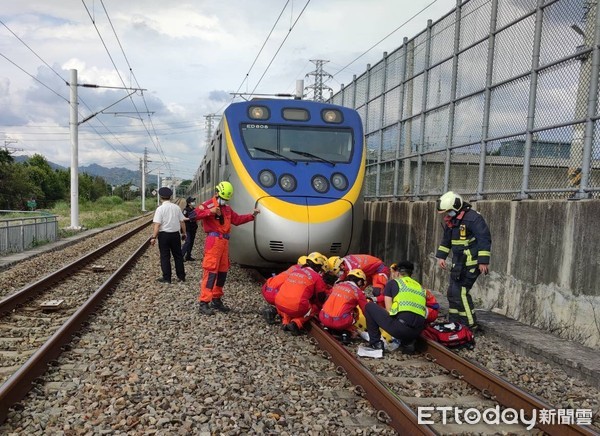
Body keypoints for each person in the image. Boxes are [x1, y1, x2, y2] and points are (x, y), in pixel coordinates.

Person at [194, 181, 260, 315]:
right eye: (223, 198)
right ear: (217, 193)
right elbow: (192, 216)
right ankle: (204, 302)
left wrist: (252, 216)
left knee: (223, 272)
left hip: (224, 242)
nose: (224, 201)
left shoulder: (227, 209)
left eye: (226, 199)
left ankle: (216, 300)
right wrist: (209, 212)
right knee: (211, 272)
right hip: (213, 241)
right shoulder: (208, 205)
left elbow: (237, 219)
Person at [435, 191, 491, 330]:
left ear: (456, 207)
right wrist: (441, 256)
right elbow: (446, 239)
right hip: (458, 263)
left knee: (461, 292)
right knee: (452, 292)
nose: (446, 215)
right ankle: (455, 321)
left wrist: (483, 261)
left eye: (448, 211)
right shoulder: (452, 220)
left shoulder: (473, 219)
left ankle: (469, 324)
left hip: (471, 263)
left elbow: (484, 238)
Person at [362, 261, 427, 355]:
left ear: (397, 272)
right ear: (410, 274)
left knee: (369, 307)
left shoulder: (393, 283)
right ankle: (408, 343)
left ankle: (376, 344)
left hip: (400, 330)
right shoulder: (420, 287)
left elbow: (389, 311)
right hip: (417, 332)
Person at [274, 252, 329, 335]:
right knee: (315, 308)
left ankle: (285, 322)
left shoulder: (295, 271)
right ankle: (296, 323)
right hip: (295, 307)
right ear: (317, 266)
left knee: (290, 302)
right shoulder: (316, 277)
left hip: (278, 302)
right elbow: (320, 297)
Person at [318, 269, 369, 344]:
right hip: (341, 322)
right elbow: (366, 311)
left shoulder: (337, 285)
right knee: (355, 312)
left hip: (323, 318)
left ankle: (328, 327)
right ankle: (347, 332)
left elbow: (327, 296)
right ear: (360, 281)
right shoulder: (358, 292)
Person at [150, 187, 186, 284]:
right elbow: (182, 221)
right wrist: (184, 233)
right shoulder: (176, 207)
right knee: (178, 256)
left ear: (161, 197)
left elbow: (157, 225)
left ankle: (167, 278)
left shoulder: (160, 209)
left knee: (165, 256)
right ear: (170, 197)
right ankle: (181, 276)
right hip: (175, 235)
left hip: (164, 236)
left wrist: (153, 237)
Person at [261, 256, 307, 324]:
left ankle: (272, 311)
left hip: (267, 287)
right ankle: (276, 313)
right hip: (275, 293)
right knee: (288, 303)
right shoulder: (302, 273)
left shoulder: (294, 267)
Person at [181, 196, 198, 261]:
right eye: (192, 201)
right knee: (187, 242)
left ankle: (188, 256)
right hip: (187, 228)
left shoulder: (194, 209)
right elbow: (182, 218)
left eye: (193, 201)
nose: (193, 202)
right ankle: (181, 255)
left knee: (191, 242)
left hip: (193, 228)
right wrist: (190, 218)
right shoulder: (185, 210)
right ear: (188, 203)